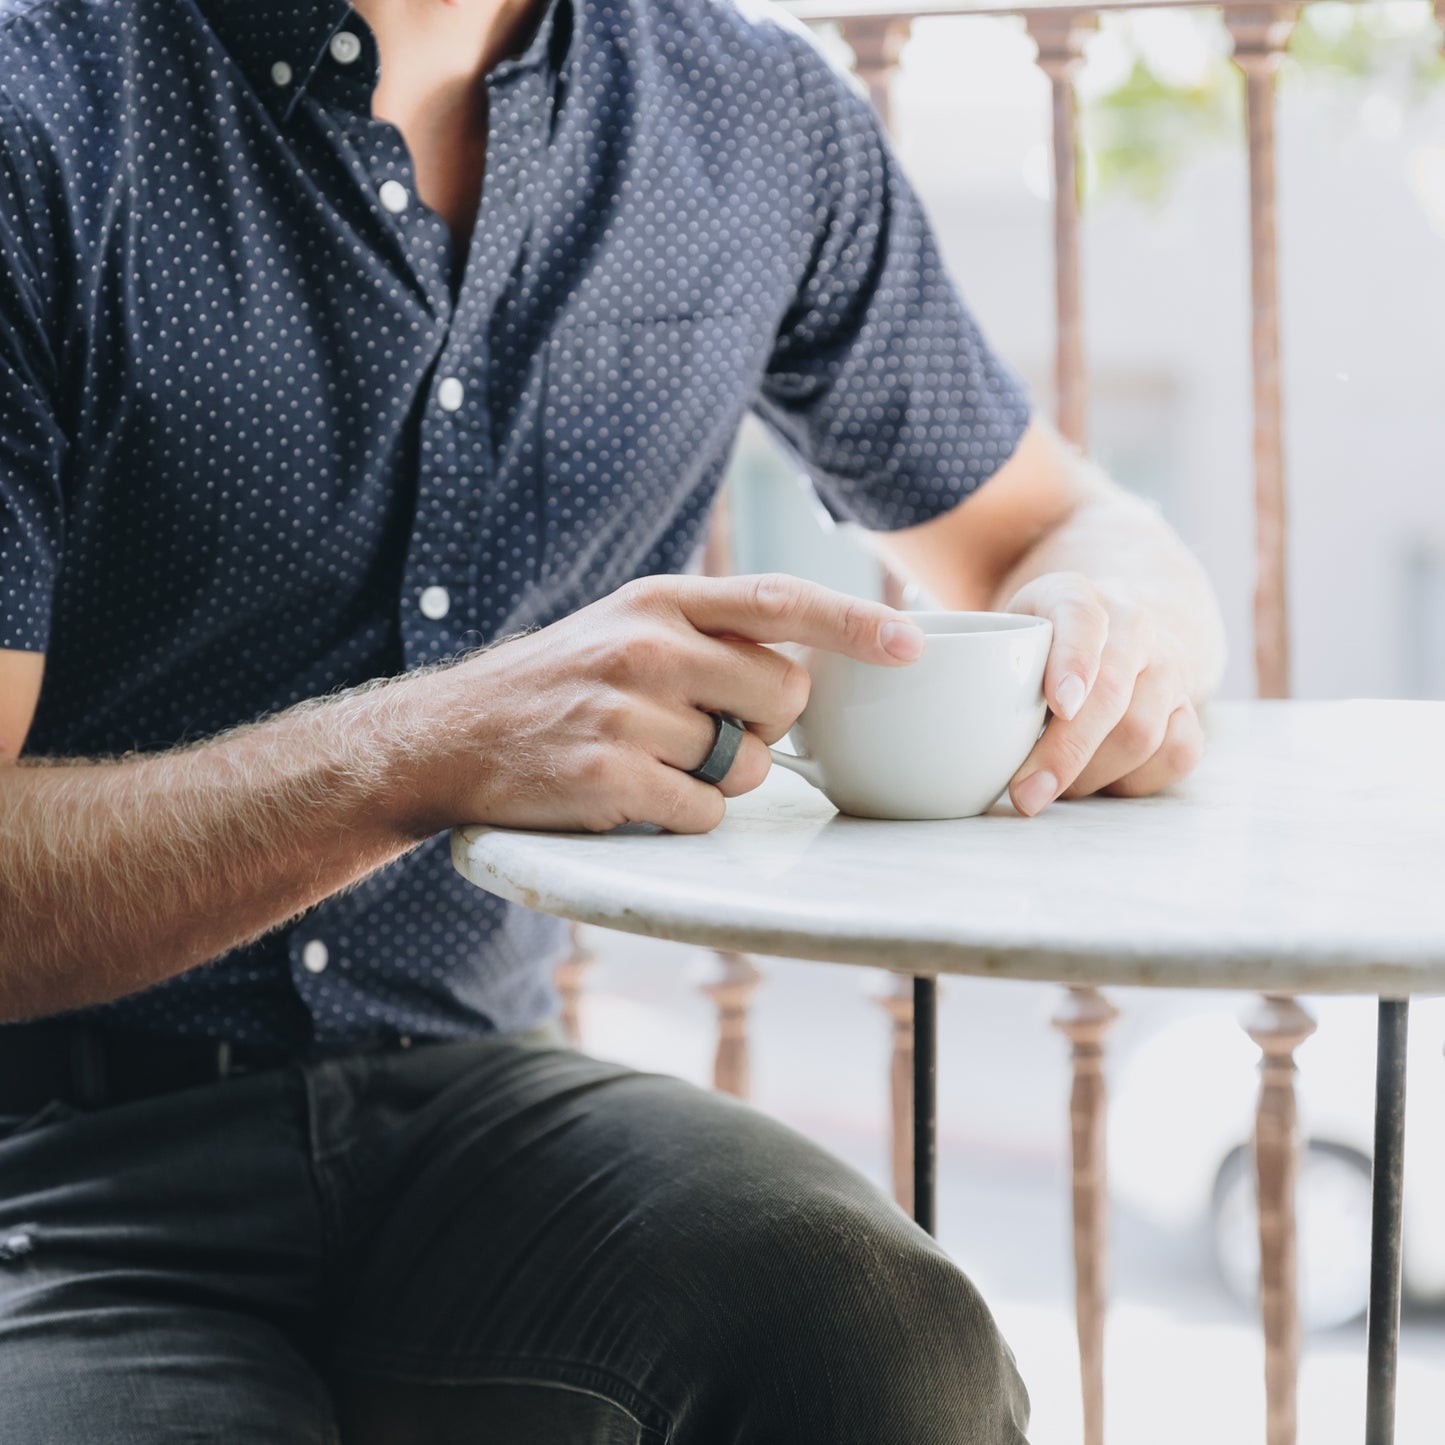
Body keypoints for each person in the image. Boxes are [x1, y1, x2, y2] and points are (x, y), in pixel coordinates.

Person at [0, 0, 1226, 1437]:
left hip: (477, 1093)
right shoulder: (41, 107)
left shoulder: (756, 118)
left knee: (886, 1337)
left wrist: (1118, 620)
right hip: (49, 1159)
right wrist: (432, 748)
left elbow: (1063, 523)